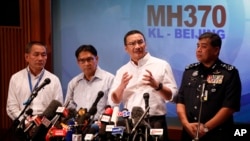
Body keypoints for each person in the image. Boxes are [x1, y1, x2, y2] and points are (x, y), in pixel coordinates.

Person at [108, 30, 178, 141]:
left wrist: (157, 86)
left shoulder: (161, 65)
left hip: (155, 122)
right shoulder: (122, 71)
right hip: (130, 123)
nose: (137, 46)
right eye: (132, 43)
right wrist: (122, 86)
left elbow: (173, 96)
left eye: (140, 42)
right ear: (126, 48)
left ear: (146, 44)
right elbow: (114, 100)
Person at [176, 32, 241, 141]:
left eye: (204, 46)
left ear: (216, 50)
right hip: (189, 132)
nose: (199, 50)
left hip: (217, 133)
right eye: (198, 46)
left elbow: (229, 107)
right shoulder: (189, 71)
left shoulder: (229, 73)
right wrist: (185, 124)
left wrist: (205, 128)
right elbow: (180, 101)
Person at [6, 41, 64, 139]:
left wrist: (42, 126)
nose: (40, 58)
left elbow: (58, 108)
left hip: (46, 129)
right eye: (36, 54)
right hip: (22, 127)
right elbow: (11, 107)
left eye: (43, 55)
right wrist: (26, 122)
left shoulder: (54, 79)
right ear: (27, 57)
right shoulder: (16, 78)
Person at [64, 44, 114, 120]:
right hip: (78, 126)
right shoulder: (74, 83)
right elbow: (68, 107)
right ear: (78, 62)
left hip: (100, 126)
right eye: (82, 61)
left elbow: (111, 107)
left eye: (89, 59)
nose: (86, 64)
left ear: (96, 59)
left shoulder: (109, 79)